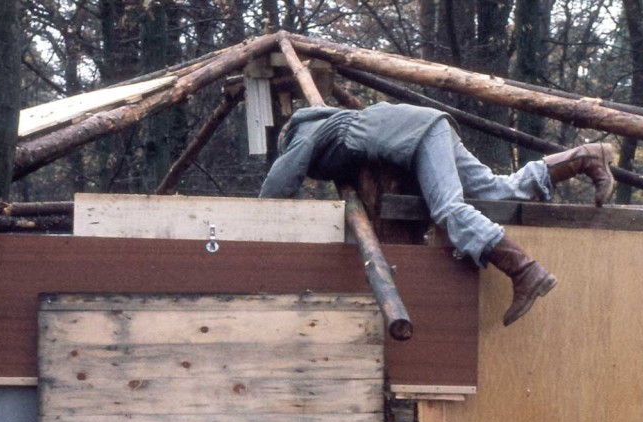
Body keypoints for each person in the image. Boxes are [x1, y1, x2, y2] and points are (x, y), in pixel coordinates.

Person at [259, 102, 614, 325]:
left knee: (448, 209)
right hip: (429, 128)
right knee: (496, 189)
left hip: (420, 137)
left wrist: (258, 218)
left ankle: (524, 270)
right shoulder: (341, 127)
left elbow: (280, 180)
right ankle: (584, 158)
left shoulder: (305, 130)